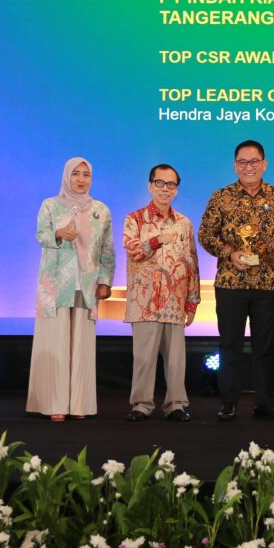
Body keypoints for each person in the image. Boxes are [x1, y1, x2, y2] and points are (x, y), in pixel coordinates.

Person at [198, 140, 274, 421]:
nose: (248, 167)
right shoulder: (221, 197)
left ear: (264, 164)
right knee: (230, 346)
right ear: (234, 165)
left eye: (254, 162)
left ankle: (265, 403)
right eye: (242, 162)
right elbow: (205, 235)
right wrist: (229, 253)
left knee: (265, 347)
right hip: (231, 284)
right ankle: (228, 403)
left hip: (267, 284)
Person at [27, 157, 115, 422]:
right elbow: (41, 235)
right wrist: (58, 233)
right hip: (55, 285)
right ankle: (54, 404)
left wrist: (105, 281)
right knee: (55, 343)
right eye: (75, 174)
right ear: (66, 176)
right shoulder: (51, 205)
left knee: (82, 345)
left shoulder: (101, 210)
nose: (80, 179)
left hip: (87, 284)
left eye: (86, 174)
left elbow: (107, 250)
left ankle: (79, 404)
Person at [122, 164, 200, 422]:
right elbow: (134, 251)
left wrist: (192, 301)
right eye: (160, 183)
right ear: (150, 185)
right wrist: (156, 241)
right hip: (145, 301)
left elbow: (192, 262)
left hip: (175, 299)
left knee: (176, 359)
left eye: (171, 184)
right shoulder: (134, 219)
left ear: (176, 189)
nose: (165, 189)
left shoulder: (184, 223)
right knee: (144, 358)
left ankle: (176, 404)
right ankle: (141, 405)